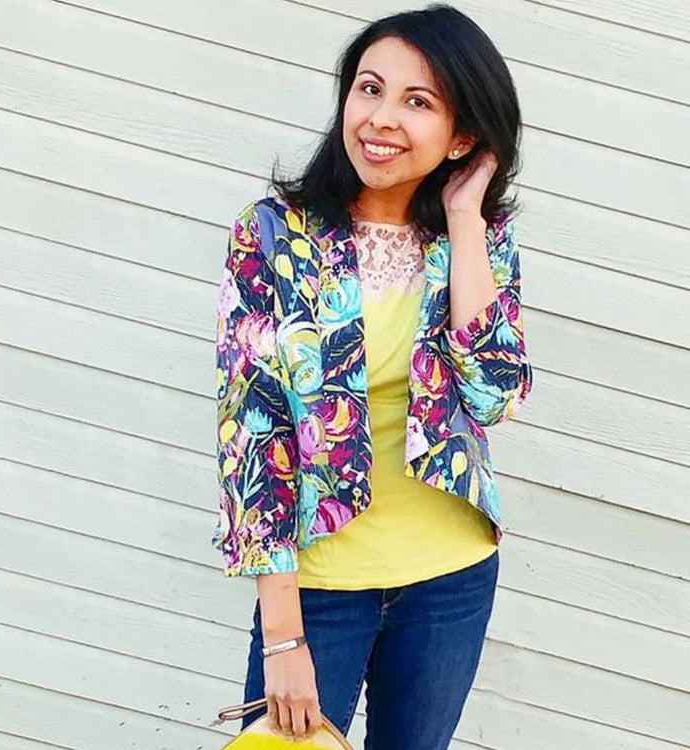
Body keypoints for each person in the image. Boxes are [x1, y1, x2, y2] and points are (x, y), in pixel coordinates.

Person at [211, 4, 533, 747]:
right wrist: (282, 635)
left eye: (418, 102)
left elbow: (494, 395)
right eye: (370, 88)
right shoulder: (273, 235)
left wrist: (464, 218)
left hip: (450, 577)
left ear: (462, 136)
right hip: (320, 586)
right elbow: (251, 434)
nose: (381, 118)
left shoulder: (479, 240)